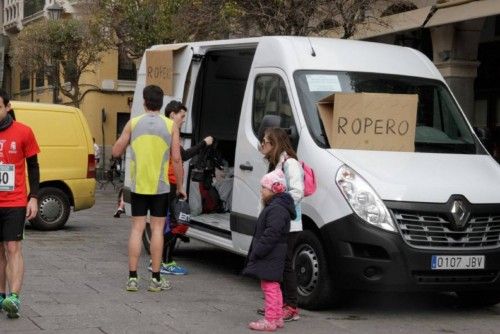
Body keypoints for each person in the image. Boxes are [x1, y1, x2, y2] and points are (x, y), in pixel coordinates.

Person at [112, 85, 185, 292]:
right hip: (161, 186)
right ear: (161, 104)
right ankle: (155, 278)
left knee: (137, 229)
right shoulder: (171, 126)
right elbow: (177, 159)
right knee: (157, 230)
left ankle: (133, 278)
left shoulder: (133, 124)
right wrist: (180, 186)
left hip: (139, 185)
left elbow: (116, 151)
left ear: (144, 102)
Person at [151, 100, 213, 275]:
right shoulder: (170, 131)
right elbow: (181, 157)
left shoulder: (164, 130)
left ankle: (163, 261)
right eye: (182, 115)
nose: (184, 119)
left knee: (170, 224)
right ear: (172, 115)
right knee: (175, 224)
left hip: (165, 183)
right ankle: (163, 262)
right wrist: (204, 143)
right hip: (168, 184)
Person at [0, 89, 40, 318]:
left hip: (14, 200)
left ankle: (14, 297)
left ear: (7, 107)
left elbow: (34, 166)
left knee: (13, 247)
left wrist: (33, 196)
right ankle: (1, 295)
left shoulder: (23, 132)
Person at [259, 127, 304, 322]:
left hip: (288, 224)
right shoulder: (276, 163)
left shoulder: (290, 163)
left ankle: (291, 307)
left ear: (275, 143)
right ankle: (276, 306)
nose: (262, 144)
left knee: (285, 264)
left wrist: (274, 198)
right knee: (277, 263)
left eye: (265, 141)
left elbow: (297, 192)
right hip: (276, 221)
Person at [243, 169, 296, 331]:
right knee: (273, 285)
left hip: (270, 253)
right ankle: (277, 317)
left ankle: (270, 320)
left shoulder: (276, 209)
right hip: (273, 252)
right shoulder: (277, 206)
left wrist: (258, 250)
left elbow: (272, 232)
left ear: (274, 189)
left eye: (263, 188)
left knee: (270, 287)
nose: (261, 191)